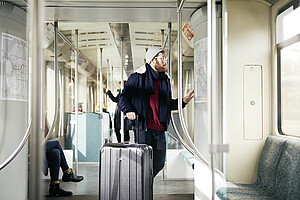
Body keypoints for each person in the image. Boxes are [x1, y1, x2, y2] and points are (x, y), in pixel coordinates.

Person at [119, 47, 194, 177]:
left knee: (159, 163)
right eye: (162, 58)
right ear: (153, 60)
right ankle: (141, 190)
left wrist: (183, 101)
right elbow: (123, 97)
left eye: (165, 58)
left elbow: (167, 104)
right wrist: (129, 110)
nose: (165, 61)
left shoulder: (165, 80)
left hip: (160, 129)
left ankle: (142, 184)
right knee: (143, 163)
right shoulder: (137, 77)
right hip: (143, 128)